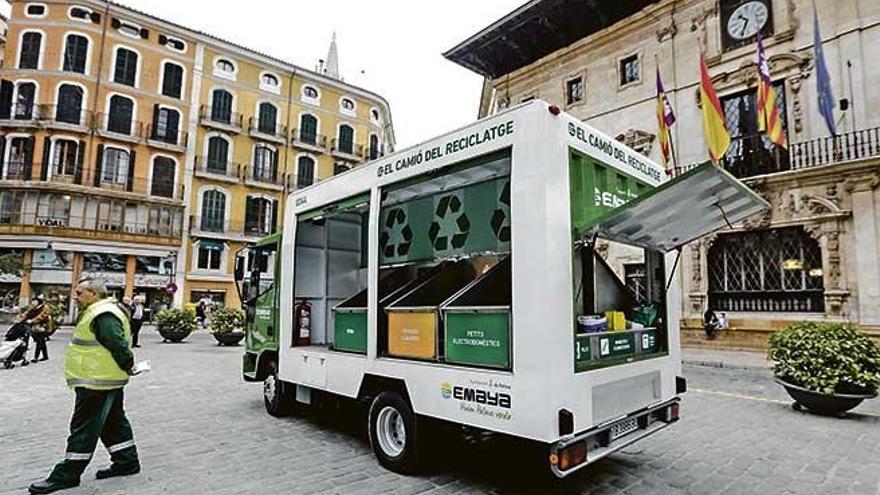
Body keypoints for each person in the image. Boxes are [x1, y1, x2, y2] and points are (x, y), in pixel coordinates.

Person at [29, 277, 141, 494]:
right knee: (113, 422)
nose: (75, 296)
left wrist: (129, 365)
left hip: (97, 382)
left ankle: (67, 475)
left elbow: (118, 345)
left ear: (94, 293)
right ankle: (127, 462)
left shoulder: (102, 314)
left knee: (83, 428)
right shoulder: (103, 311)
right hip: (104, 380)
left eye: (80, 293)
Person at [25, 295, 52, 361]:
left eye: (35, 301)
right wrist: (20, 319)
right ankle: (45, 356)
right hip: (35, 327)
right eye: (32, 301)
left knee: (39, 341)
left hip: (43, 326)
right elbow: (26, 314)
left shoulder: (45, 307)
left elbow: (42, 316)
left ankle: (35, 357)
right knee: (42, 342)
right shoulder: (32, 308)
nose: (33, 303)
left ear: (39, 302)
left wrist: (32, 321)